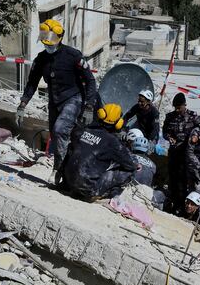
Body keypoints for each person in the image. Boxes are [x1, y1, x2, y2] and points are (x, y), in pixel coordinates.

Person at [17, 19, 97, 171]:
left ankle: (59, 170)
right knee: (56, 135)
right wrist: (22, 104)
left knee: (60, 130)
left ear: (59, 39)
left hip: (73, 98)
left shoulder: (73, 56)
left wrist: (89, 106)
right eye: (45, 43)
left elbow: (90, 80)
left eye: (50, 43)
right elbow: (32, 83)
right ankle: (65, 167)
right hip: (54, 101)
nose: (48, 46)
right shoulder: (41, 59)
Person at [61, 103, 137, 201]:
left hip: (68, 182)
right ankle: (107, 195)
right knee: (130, 171)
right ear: (118, 123)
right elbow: (129, 165)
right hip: (87, 189)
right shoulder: (113, 142)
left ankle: (64, 184)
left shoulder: (82, 131)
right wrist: (135, 165)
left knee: (71, 149)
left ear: (100, 115)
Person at [162, 92, 200, 214]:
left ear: (185, 105)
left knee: (184, 182)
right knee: (173, 181)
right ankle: (173, 205)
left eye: (179, 107)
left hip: (187, 156)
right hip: (174, 154)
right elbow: (165, 132)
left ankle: (183, 207)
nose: (177, 110)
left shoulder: (193, 117)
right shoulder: (170, 117)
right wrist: (169, 137)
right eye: (176, 108)